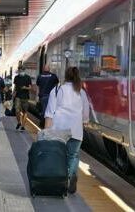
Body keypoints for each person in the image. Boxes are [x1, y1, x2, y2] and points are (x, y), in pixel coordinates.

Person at [44, 66, 89, 194]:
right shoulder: (81, 92)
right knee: (73, 156)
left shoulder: (58, 90)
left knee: (59, 155)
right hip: (76, 129)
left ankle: (62, 181)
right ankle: (71, 176)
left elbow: (49, 113)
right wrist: (84, 122)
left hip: (59, 128)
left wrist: (47, 132)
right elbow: (86, 111)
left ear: (65, 76)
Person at [13, 65, 32, 131]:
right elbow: (15, 87)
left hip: (25, 97)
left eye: (22, 70)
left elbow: (30, 87)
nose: (20, 72)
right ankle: (19, 122)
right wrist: (13, 96)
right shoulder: (16, 77)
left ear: (24, 70)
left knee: (25, 112)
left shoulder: (28, 77)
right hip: (18, 96)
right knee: (17, 111)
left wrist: (25, 87)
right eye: (20, 71)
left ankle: (23, 126)